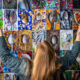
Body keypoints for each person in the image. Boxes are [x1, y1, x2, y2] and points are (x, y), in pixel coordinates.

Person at [0, 26, 80, 80]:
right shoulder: (58, 65)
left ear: (36, 55)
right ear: (53, 55)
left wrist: (0, 35)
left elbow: (5, 57)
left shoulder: (25, 67)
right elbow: (73, 54)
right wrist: (79, 34)